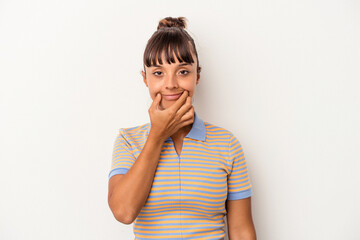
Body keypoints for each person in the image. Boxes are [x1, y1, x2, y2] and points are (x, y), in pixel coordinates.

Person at [108, 16, 256, 240]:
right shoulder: (128, 141)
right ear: (145, 79)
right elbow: (124, 212)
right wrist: (157, 136)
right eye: (158, 73)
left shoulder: (227, 144)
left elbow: (241, 230)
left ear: (197, 75)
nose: (170, 84)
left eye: (183, 71)